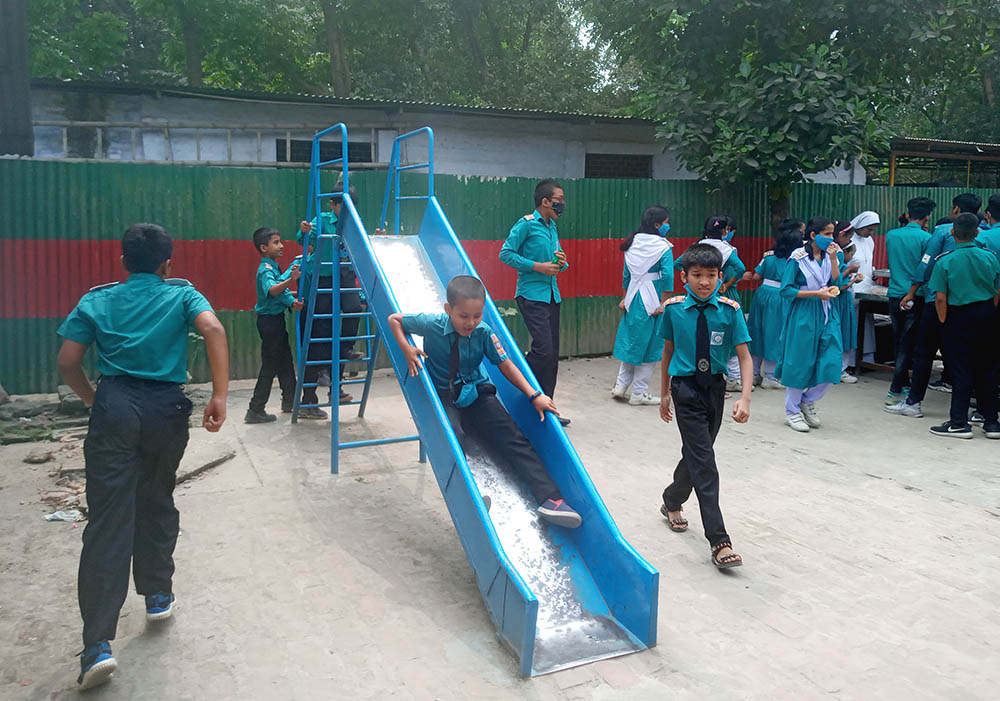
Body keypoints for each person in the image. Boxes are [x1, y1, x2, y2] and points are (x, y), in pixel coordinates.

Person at [55, 223, 229, 690]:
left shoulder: (98, 299)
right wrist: (219, 396)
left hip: (114, 406)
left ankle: (96, 647)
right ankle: (157, 595)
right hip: (165, 410)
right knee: (156, 498)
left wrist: (94, 400)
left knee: (109, 519)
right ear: (167, 264)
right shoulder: (182, 294)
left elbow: (68, 361)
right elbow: (213, 328)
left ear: (123, 263)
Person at [387, 275, 582, 526]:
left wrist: (534, 395)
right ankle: (470, 496)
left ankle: (550, 499)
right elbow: (394, 319)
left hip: (477, 392)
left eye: (476, 315)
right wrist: (407, 348)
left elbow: (505, 364)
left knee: (513, 436)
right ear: (449, 310)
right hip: (445, 396)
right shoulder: (432, 324)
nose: (470, 322)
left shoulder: (484, 333)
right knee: (452, 436)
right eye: (463, 316)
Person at [658, 243, 752, 569]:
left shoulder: (730, 310)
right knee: (706, 463)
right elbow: (667, 353)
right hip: (684, 388)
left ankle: (671, 499)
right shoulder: (672, 310)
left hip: (715, 388)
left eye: (711, 275)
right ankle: (719, 541)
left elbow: (744, 356)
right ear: (683, 276)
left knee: (698, 454)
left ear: (720, 276)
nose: (704, 282)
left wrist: (746, 396)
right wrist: (664, 394)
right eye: (696, 275)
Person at [885, 194, 983, 420]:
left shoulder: (941, 233)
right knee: (962, 356)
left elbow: (926, 264)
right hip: (969, 304)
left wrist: (911, 292)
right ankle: (967, 412)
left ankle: (913, 402)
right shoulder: (982, 237)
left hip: (935, 300)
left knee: (923, 353)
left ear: (956, 210)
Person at [499, 179, 571, 426]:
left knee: (552, 355)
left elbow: (560, 261)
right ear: (545, 201)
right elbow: (505, 253)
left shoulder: (552, 227)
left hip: (552, 295)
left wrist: (562, 262)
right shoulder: (527, 225)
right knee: (543, 349)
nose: (562, 204)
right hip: (531, 294)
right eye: (559, 200)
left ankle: (547, 406)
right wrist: (537, 266)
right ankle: (518, 380)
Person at [926, 213, 1000, 438]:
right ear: (978, 233)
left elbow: (940, 298)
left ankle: (959, 422)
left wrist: (943, 321)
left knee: (961, 369)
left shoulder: (945, 260)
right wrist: (990, 309)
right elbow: (997, 291)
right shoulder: (989, 257)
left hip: (958, 317)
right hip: (987, 315)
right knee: (989, 369)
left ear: (952, 232)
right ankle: (992, 423)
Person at [296, 183, 364, 418]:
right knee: (321, 333)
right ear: (332, 204)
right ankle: (309, 399)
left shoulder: (354, 223)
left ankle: (345, 351)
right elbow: (303, 237)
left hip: (344, 275)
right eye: (342, 208)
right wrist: (305, 230)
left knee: (353, 310)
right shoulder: (322, 218)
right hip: (323, 279)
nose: (347, 212)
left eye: (351, 208)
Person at [774, 216, 843, 432]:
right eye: (827, 234)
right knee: (799, 361)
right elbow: (785, 290)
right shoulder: (798, 258)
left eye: (833, 234)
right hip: (804, 313)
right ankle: (792, 411)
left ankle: (807, 399)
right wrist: (815, 293)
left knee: (832, 361)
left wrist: (833, 260)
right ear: (813, 235)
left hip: (827, 313)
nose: (831, 238)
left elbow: (837, 283)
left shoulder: (832, 256)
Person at [674, 216, 747, 391]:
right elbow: (741, 269)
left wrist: (694, 277)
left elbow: (677, 264)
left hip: (695, 295)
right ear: (724, 231)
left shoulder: (696, 248)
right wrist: (725, 284)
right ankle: (730, 377)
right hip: (721, 293)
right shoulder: (728, 250)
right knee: (726, 335)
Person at [611, 205, 674, 406]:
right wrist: (664, 302)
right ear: (657, 225)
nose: (667, 226)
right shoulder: (663, 247)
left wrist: (624, 298)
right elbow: (668, 276)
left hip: (633, 298)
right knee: (650, 349)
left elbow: (626, 275)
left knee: (631, 343)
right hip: (652, 300)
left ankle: (620, 386)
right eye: (665, 223)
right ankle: (639, 393)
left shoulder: (632, 243)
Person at [246, 227, 304, 423]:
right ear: (263, 247)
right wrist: (291, 280)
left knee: (285, 362)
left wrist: (291, 302)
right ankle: (255, 409)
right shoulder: (266, 270)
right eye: (276, 242)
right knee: (270, 365)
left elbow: (281, 294)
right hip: (269, 323)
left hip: (276, 321)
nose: (281, 245)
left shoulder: (274, 266)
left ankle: (291, 401)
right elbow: (272, 290)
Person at [884, 197, 935, 406]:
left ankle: (901, 384)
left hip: (895, 293)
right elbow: (925, 268)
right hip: (916, 295)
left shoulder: (891, 235)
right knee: (910, 345)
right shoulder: (927, 239)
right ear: (927, 217)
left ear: (907, 214)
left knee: (899, 342)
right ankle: (896, 388)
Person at [747, 221, 802, 389]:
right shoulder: (795, 261)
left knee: (757, 331)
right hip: (781, 297)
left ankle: (754, 373)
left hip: (762, 294)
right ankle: (770, 376)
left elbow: (757, 276)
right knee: (775, 334)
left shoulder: (768, 257)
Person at [833, 220, 865, 383]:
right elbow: (839, 285)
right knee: (843, 334)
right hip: (841, 302)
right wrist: (850, 274)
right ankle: (840, 370)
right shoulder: (837, 256)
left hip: (839, 302)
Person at [848, 210, 881, 365]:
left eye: (873, 230)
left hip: (867, 287)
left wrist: (873, 272)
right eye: (869, 229)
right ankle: (850, 362)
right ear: (860, 226)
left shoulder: (870, 241)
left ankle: (866, 359)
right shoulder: (849, 241)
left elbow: (868, 262)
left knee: (866, 325)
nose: (870, 233)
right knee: (852, 326)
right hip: (851, 287)